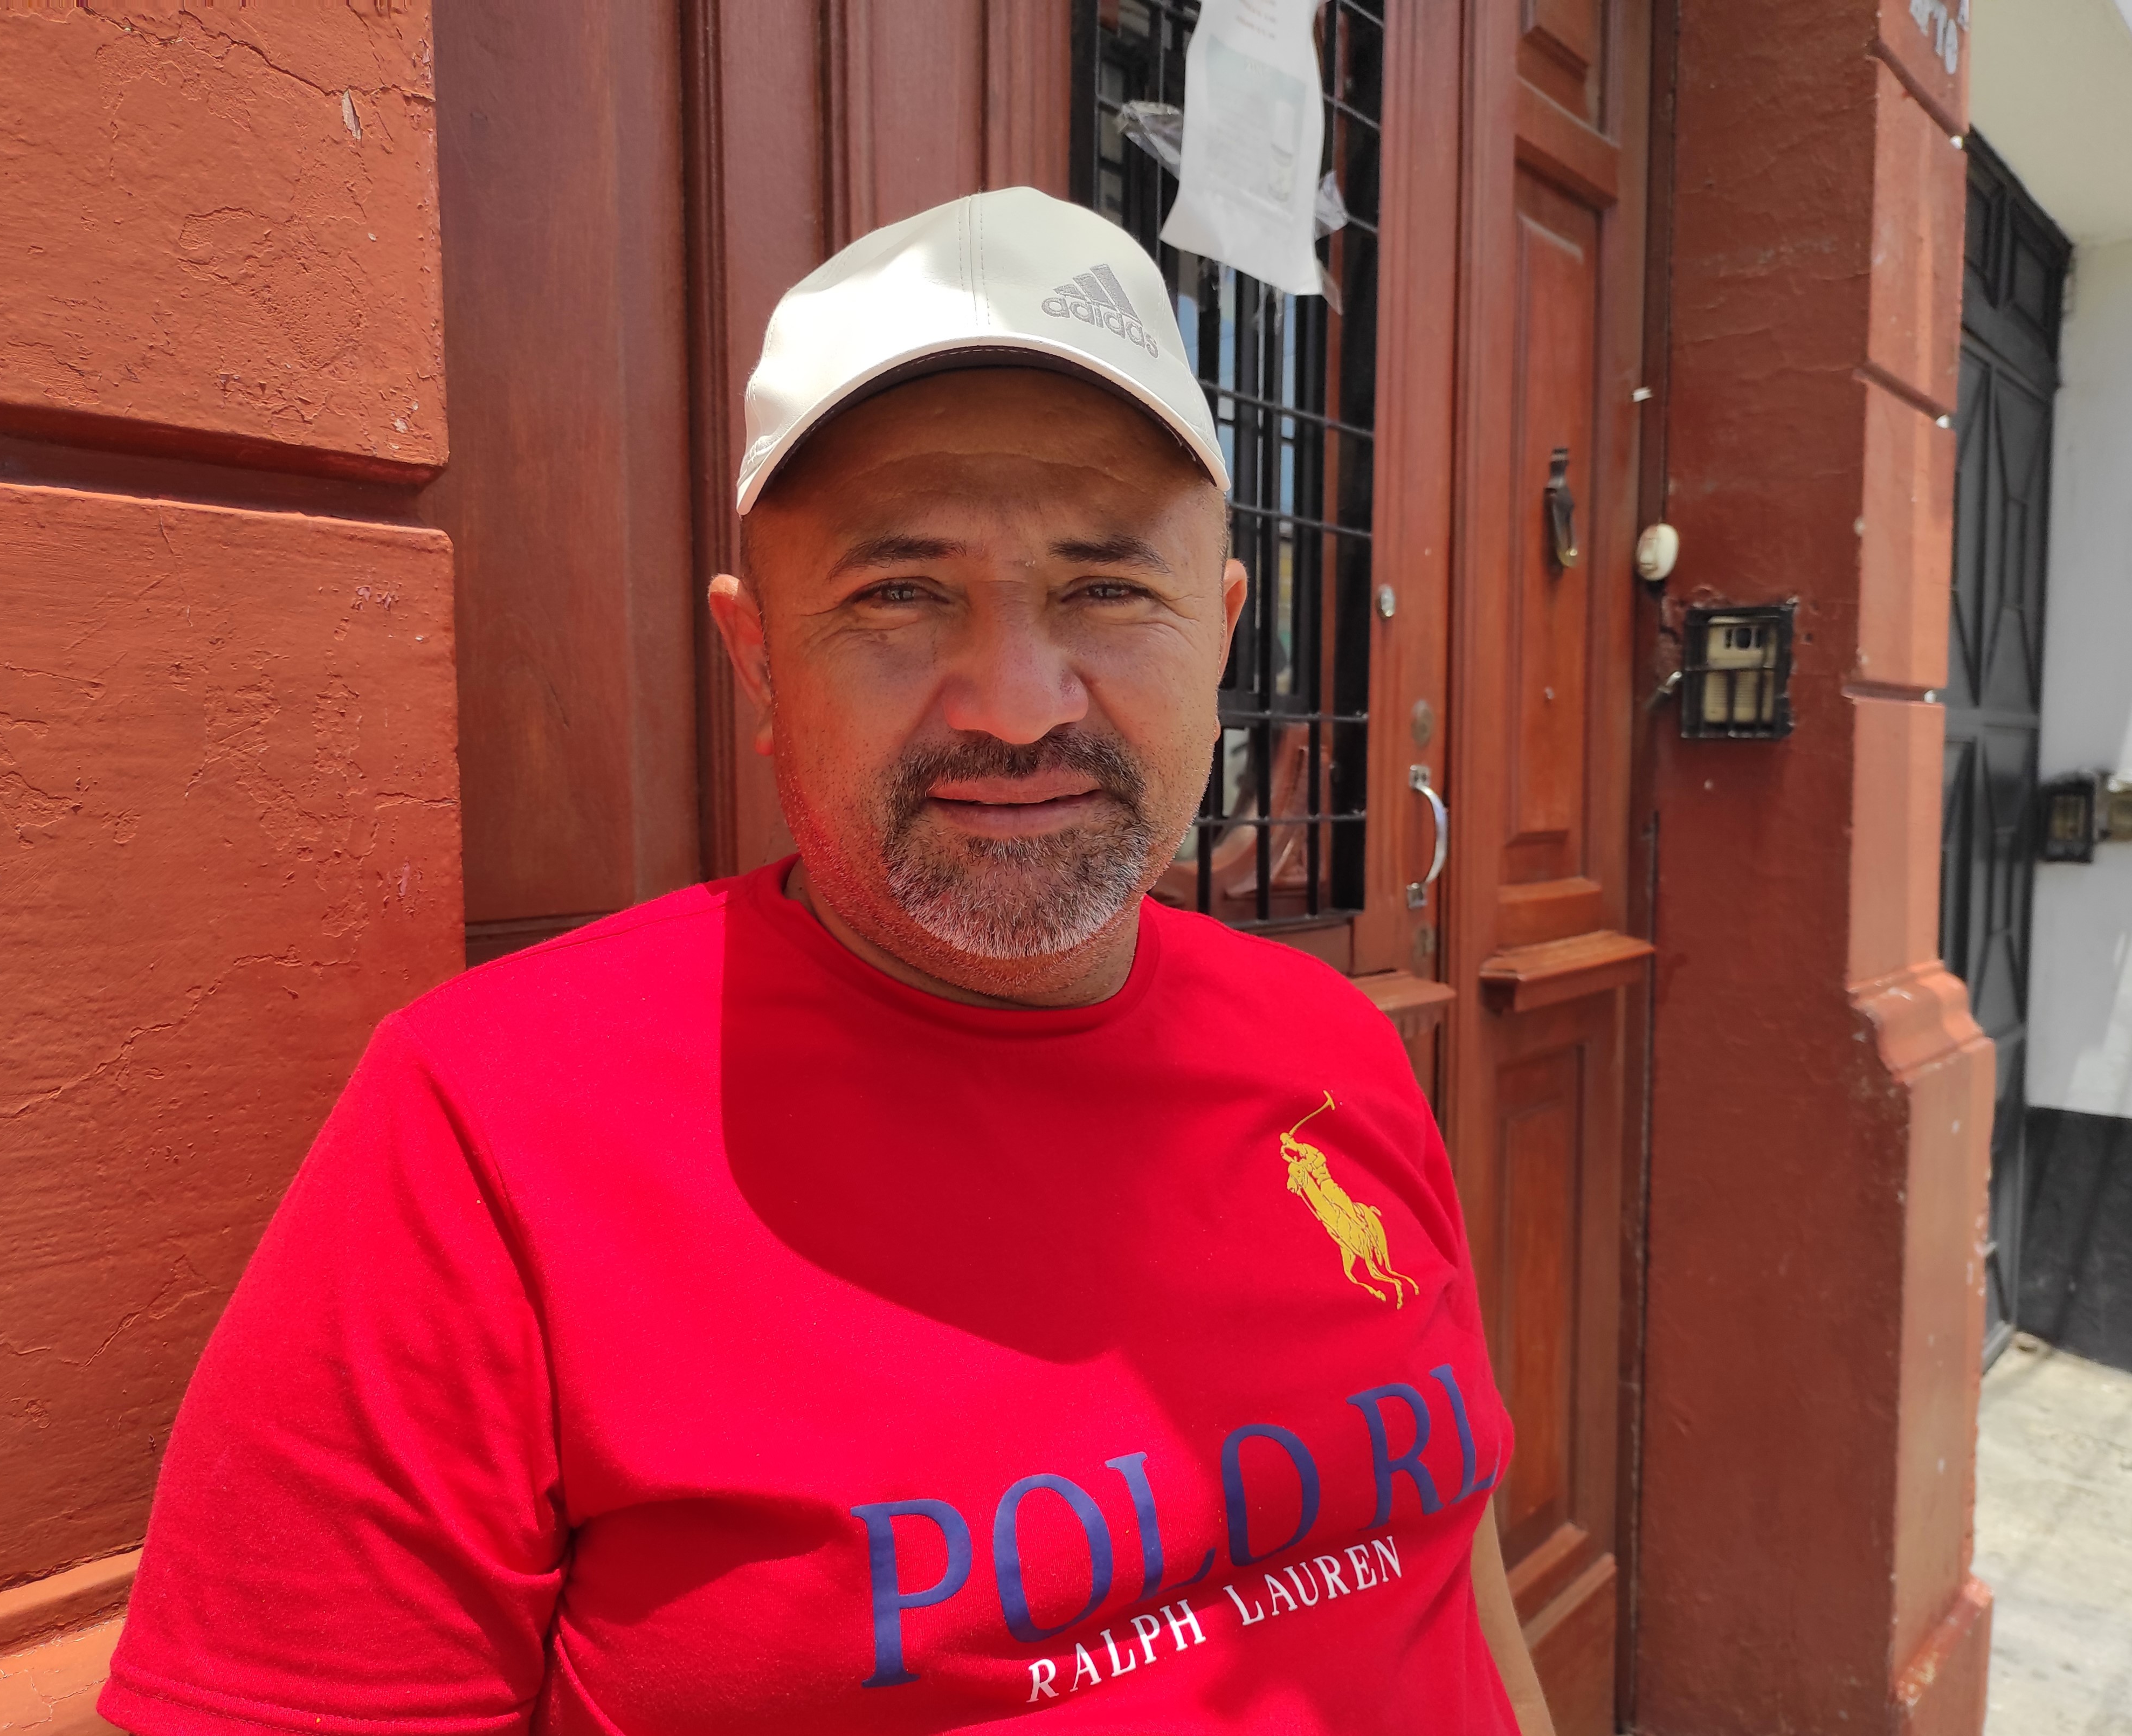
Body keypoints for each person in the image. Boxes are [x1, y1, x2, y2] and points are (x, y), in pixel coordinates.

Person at [100, 187, 1554, 1736]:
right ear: (758, 660)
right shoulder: (489, 1131)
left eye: (1107, 587)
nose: (1012, 698)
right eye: (899, 593)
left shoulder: (1331, 1048)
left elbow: (1446, 1574)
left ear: (1221, 626)